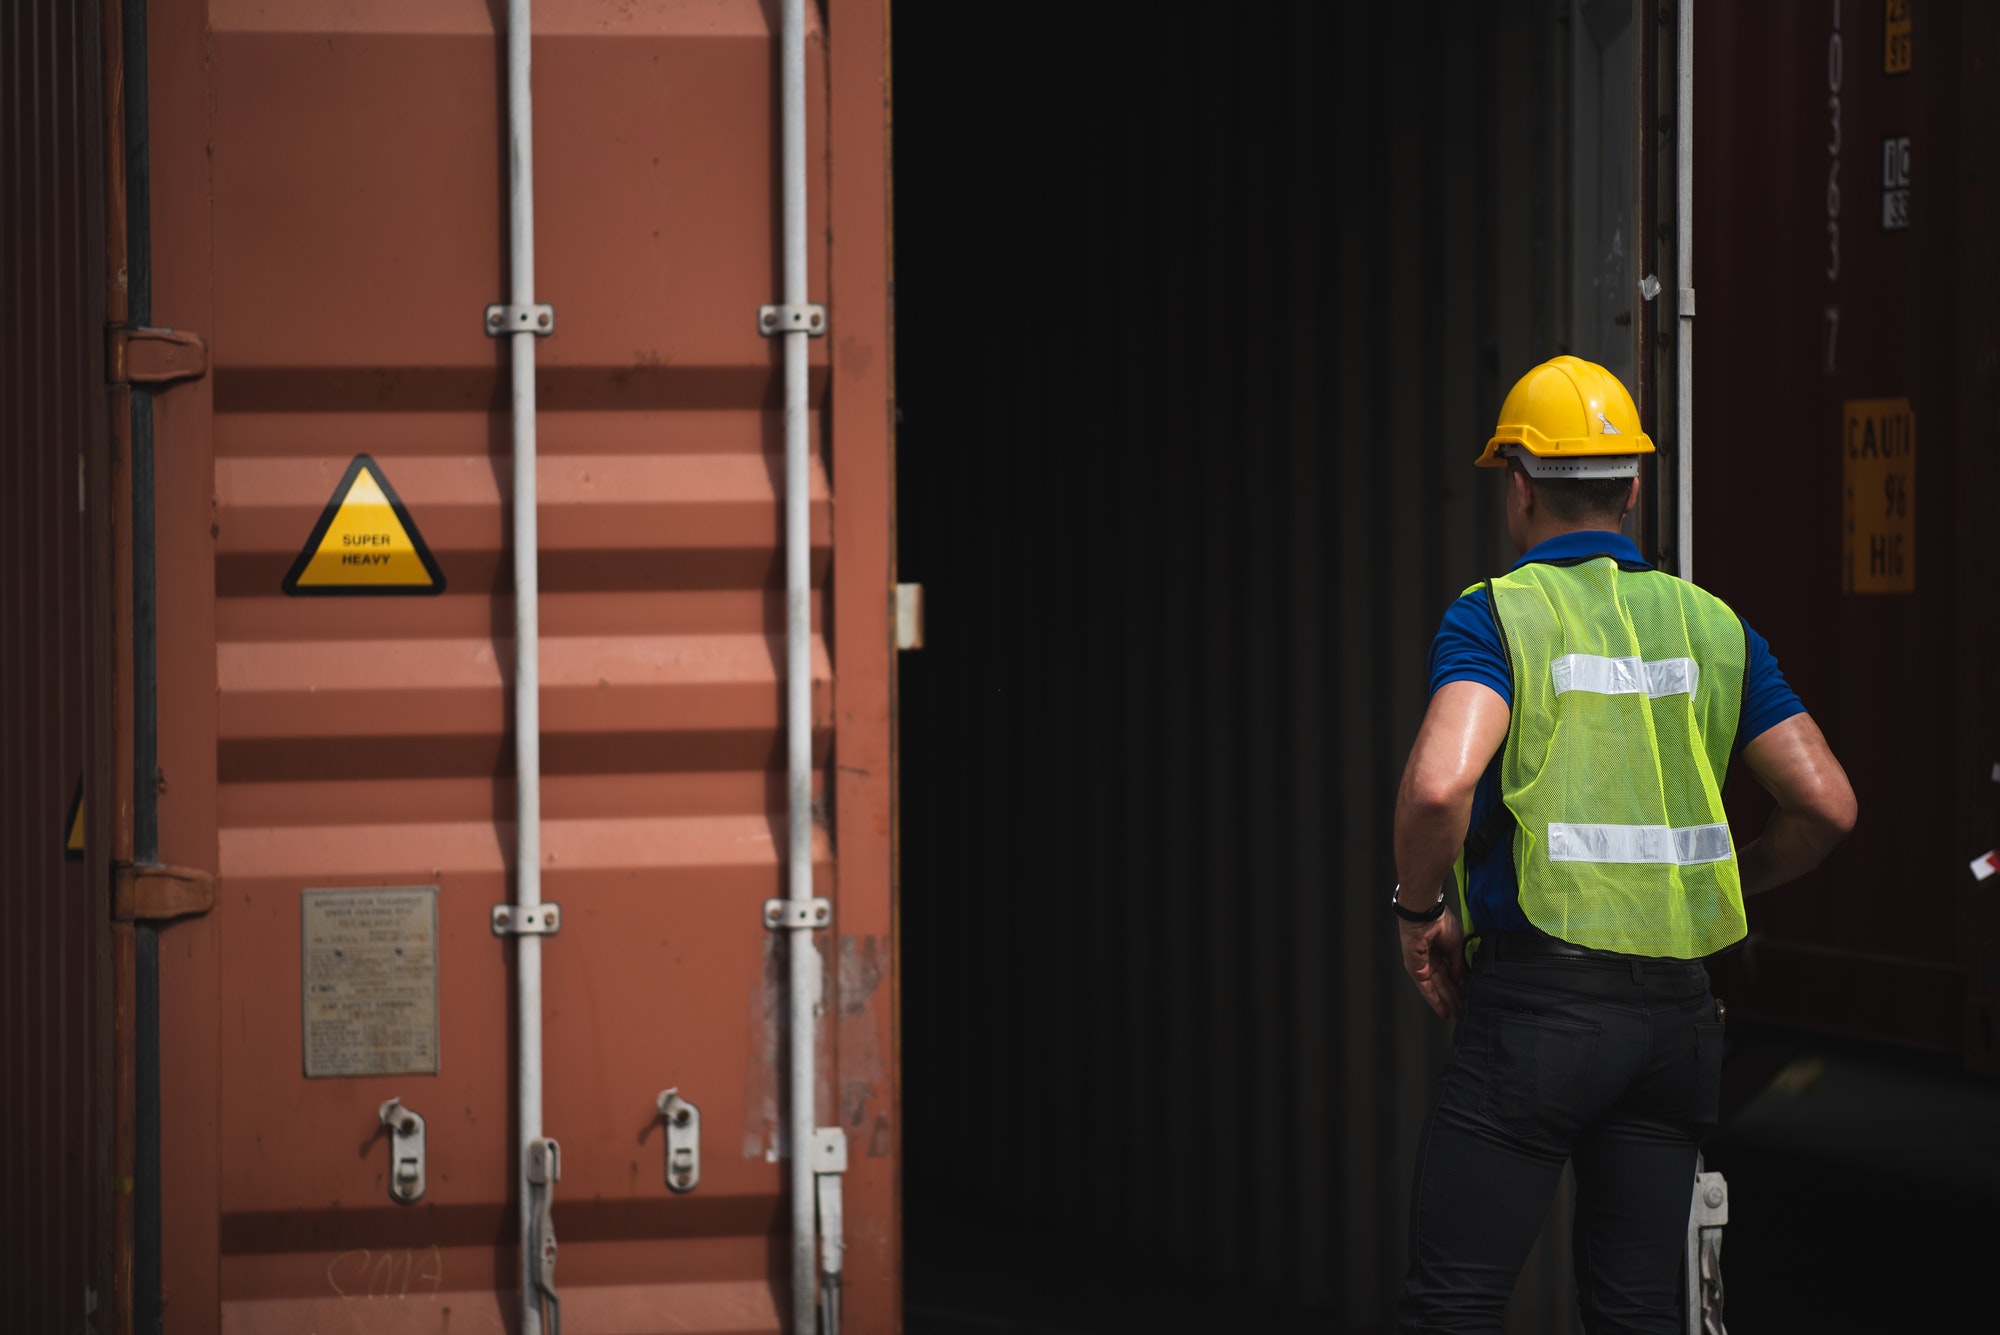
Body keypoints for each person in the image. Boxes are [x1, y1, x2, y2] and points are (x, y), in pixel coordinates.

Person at [1391, 355, 1857, 1333]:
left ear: (1516, 484)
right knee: (1637, 1311)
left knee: (1455, 1303)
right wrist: (1725, 875)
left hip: (1536, 1016)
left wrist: (1418, 910)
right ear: (1633, 487)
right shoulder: (1709, 625)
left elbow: (1439, 784)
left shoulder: (1498, 615)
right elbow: (1825, 807)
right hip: (1672, 1025)